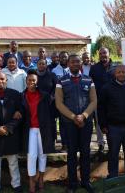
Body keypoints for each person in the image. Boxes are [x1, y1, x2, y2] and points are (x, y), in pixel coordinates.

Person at [55, 54, 97, 193]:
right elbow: (59, 103)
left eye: (77, 62)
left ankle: (85, 181)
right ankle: (72, 184)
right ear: (68, 64)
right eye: (72, 62)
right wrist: (74, 117)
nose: (75, 64)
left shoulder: (88, 79)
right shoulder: (61, 80)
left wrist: (84, 116)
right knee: (71, 154)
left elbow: (93, 101)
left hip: (86, 123)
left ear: (81, 64)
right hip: (69, 124)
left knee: (85, 153)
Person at [21, 69, 55, 193]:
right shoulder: (21, 96)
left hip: (43, 129)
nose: (31, 82)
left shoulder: (44, 96)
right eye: (29, 80)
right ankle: (31, 180)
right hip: (29, 129)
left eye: (34, 80)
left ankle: (41, 178)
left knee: (42, 154)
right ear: (26, 81)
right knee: (31, 155)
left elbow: (51, 114)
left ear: (37, 82)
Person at [89, 47, 117, 153]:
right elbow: (91, 84)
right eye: (100, 53)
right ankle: (101, 144)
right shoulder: (94, 68)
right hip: (98, 100)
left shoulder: (116, 67)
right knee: (99, 123)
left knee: (112, 122)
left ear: (109, 53)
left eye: (104, 53)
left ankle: (112, 144)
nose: (102, 55)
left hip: (113, 101)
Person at [36, 58, 58, 151]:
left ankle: (52, 144)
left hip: (50, 104)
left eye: (43, 64)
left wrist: (52, 96)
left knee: (51, 124)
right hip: (38, 104)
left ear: (46, 65)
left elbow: (57, 87)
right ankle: (40, 144)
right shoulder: (34, 75)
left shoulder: (52, 75)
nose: (41, 65)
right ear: (37, 65)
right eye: (40, 64)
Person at [52, 51, 70, 151]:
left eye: (65, 57)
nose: (64, 59)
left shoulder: (71, 70)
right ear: (59, 58)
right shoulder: (54, 71)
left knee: (69, 122)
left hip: (70, 100)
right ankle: (64, 143)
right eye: (62, 57)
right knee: (61, 122)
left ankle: (70, 142)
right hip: (59, 100)